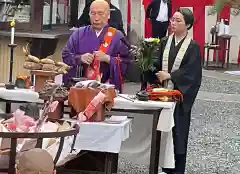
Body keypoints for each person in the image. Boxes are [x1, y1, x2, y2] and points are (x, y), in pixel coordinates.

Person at [147, 8, 202, 174]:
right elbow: (154, 65)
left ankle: (177, 171)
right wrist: (148, 66)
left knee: (177, 136)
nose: (173, 23)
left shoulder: (193, 47)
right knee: (161, 134)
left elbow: (192, 74)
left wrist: (171, 75)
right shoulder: (164, 41)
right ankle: (161, 168)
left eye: (178, 21)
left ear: (188, 25)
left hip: (178, 100)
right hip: (162, 97)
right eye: (173, 19)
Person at [62, 0, 131, 93]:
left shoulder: (117, 37)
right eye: (93, 13)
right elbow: (66, 55)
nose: (96, 18)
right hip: (81, 89)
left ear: (108, 15)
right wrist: (80, 58)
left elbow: (127, 62)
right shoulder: (78, 34)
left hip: (106, 89)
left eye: (100, 13)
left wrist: (108, 59)